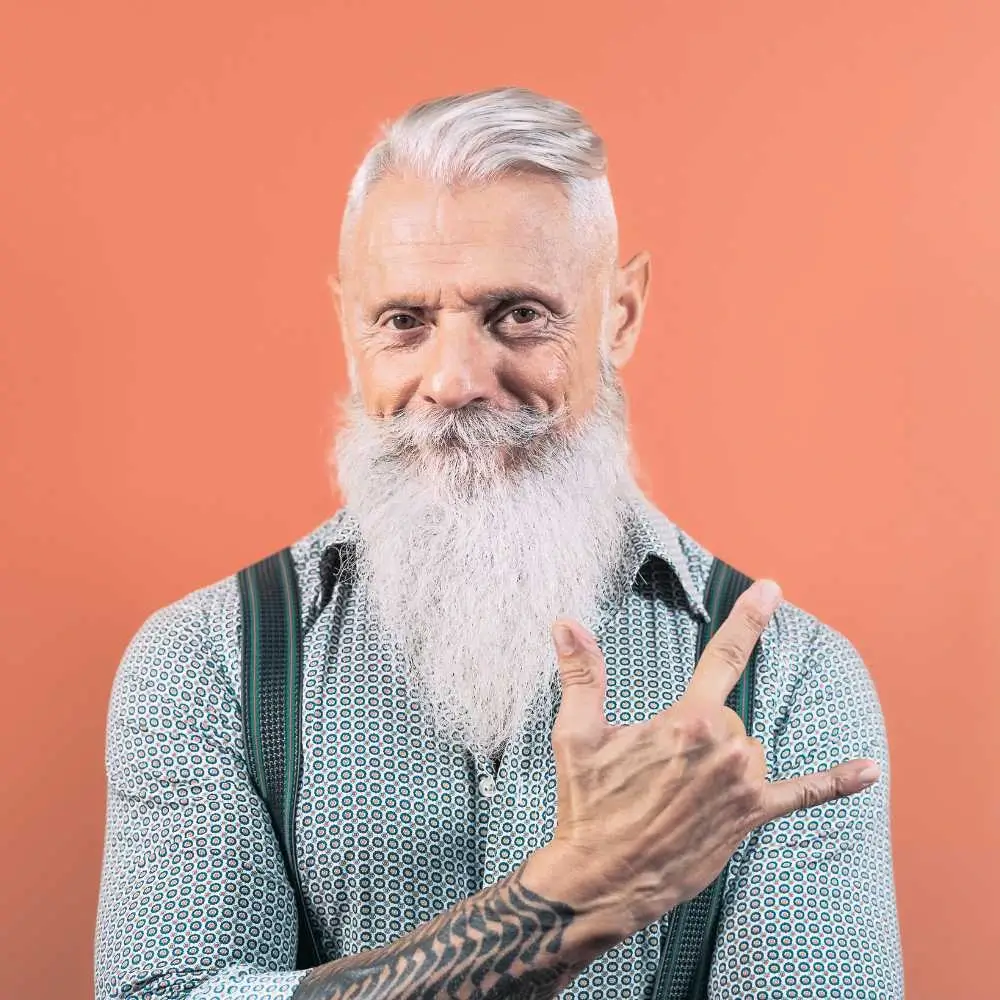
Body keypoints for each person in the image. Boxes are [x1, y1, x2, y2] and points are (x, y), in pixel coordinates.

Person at [94, 86, 904, 1000]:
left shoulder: (792, 681)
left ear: (621, 314)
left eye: (518, 314)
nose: (454, 380)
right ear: (347, 326)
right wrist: (565, 901)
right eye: (404, 322)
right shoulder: (207, 661)